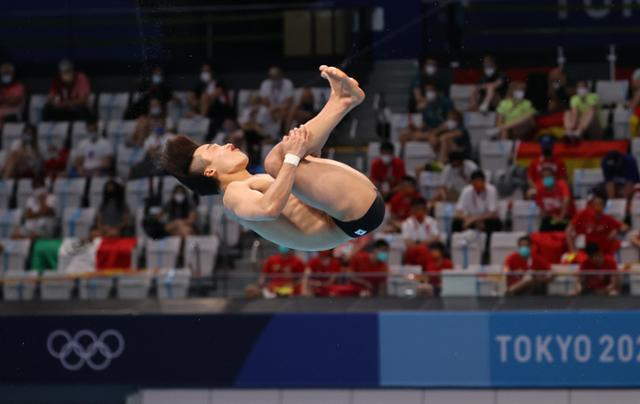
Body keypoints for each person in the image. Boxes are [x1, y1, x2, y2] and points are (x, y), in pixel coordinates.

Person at [162, 65, 383, 251]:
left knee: (287, 156)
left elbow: (311, 163)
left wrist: (296, 156)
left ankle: (342, 101)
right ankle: (342, 101)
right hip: (350, 218)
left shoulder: (259, 182)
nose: (226, 144)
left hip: (351, 214)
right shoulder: (232, 195)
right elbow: (268, 209)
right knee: (277, 160)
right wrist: (292, 158)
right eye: (213, 148)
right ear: (210, 172)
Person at [566, 190, 626, 257]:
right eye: (594, 204)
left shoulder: (607, 219)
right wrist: (572, 249)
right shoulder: (583, 215)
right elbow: (569, 230)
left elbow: (623, 227)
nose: (596, 207)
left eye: (600, 205)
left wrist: (616, 231)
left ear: (604, 206)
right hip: (588, 254)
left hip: (603, 254)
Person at [186, 63, 233, 133]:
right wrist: (196, 102)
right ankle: (195, 114)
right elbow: (193, 96)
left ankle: (202, 118)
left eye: (207, 71)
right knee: (190, 95)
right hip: (204, 106)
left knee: (204, 96)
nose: (204, 73)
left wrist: (202, 101)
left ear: (212, 72)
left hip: (219, 107)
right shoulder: (201, 85)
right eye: (203, 71)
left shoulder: (219, 83)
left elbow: (213, 96)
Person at [535, 166, 574, 232]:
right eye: (544, 177)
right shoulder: (541, 190)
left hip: (566, 217)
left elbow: (566, 200)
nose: (546, 178)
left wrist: (561, 217)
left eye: (548, 176)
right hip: (552, 218)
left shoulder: (561, 184)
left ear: (554, 177)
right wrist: (553, 216)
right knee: (544, 226)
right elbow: (542, 208)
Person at [259, 66, 294, 134]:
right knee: (262, 111)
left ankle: (284, 134)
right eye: (272, 76)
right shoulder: (265, 84)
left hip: (283, 109)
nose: (274, 78)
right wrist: (271, 109)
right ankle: (264, 135)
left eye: (276, 76)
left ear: (281, 75)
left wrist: (279, 110)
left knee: (285, 113)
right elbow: (264, 100)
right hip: (270, 109)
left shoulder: (287, 83)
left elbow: (289, 101)